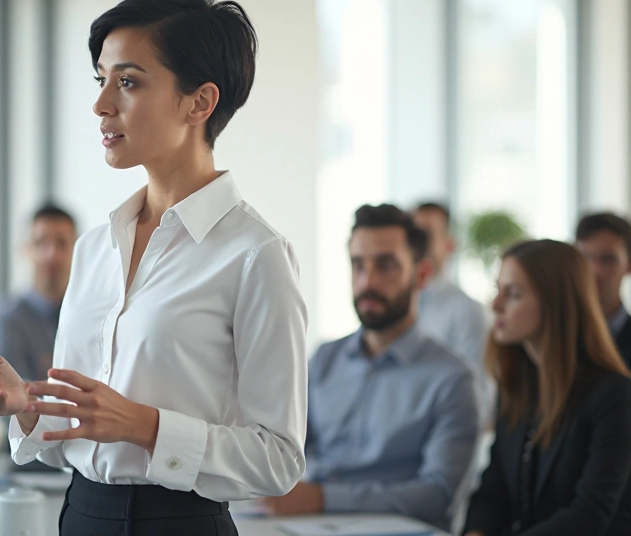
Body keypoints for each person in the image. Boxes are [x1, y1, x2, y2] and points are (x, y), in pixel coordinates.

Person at [0, 0, 308, 535]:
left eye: (128, 82)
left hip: (180, 523)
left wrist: (145, 426)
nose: (101, 104)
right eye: (102, 80)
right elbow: (78, 435)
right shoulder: (94, 248)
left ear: (200, 102)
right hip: (81, 515)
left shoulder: (256, 256)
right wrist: (25, 403)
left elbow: (278, 458)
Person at [263, 204, 478, 530]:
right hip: (305, 526)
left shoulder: (453, 380)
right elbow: (282, 449)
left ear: (421, 275)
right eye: (358, 265)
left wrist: (323, 498)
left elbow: (437, 495)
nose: (367, 281)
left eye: (386, 266)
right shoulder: (324, 360)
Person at [463, 240, 631, 536]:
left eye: (512, 294)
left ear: (556, 302)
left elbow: (590, 514)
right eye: (497, 289)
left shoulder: (613, 395)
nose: (495, 305)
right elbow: (493, 491)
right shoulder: (516, 386)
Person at [412, 202, 493, 424]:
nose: (416, 244)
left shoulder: (467, 311)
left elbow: (477, 397)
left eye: (425, 234)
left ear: (449, 245)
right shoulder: (398, 307)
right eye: (411, 234)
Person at [0, 204, 77, 382]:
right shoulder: (7, 322)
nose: (51, 254)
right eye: (41, 243)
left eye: (62, 243)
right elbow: (10, 398)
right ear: (26, 249)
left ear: (78, 249)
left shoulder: (93, 315)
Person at [574, 212, 631, 366]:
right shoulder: (553, 336)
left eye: (607, 259)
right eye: (585, 257)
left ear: (628, 265)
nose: (595, 271)